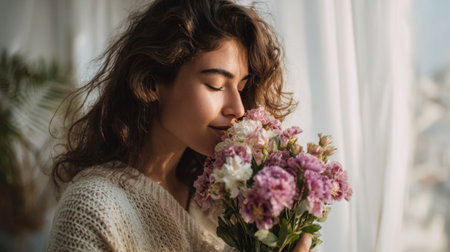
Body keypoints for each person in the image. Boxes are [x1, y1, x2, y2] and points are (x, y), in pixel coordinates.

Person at [48, 0, 313, 251]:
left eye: (241, 88)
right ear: (151, 83)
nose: (238, 109)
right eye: (216, 85)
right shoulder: (91, 209)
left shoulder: (227, 198)